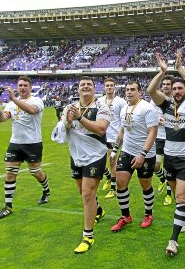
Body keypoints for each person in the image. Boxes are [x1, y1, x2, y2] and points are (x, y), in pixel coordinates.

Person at [147, 51, 185, 256]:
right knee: (178, 196)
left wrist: (179, 69)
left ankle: (173, 240)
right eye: (175, 88)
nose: (177, 91)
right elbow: (151, 90)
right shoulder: (166, 104)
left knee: (180, 197)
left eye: (181, 88)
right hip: (169, 157)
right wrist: (162, 72)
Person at [63, 76, 110, 253]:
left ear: (94, 88)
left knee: (87, 193)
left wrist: (80, 117)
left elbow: (100, 129)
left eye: (89, 84)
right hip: (77, 154)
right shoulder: (71, 107)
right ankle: (98, 211)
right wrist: (67, 120)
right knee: (82, 191)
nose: (85, 87)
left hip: (96, 153)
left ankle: (88, 236)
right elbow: (64, 128)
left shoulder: (101, 106)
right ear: (78, 89)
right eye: (82, 85)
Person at [0, 76, 51, 220]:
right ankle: (8, 206)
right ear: (17, 87)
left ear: (30, 87)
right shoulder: (11, 104)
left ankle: (46, 190)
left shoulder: (36, 101)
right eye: (20, 85)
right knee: (10, 173)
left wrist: (14, 99)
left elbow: (32, 110)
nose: (22, 88)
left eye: (25, 85)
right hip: (15, 144)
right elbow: (2, 119)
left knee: (35, 172)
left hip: (33, 143)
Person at [110, 81, 158, 232]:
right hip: (127, 150)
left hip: (146, 154)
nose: (129, 92)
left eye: (132, 90)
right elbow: (123, 130)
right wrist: (115, 149)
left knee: (145, 185)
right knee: (120, 182)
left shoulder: (147, 108)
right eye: (127, 90)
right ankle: (125, 216)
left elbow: (153, 132)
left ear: (140, 92)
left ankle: (148, 214)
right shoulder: (124, 108)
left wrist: (142, 154)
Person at [97, 77, 126, 199]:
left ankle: (113, 189)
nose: (109, 87)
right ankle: (109, 178)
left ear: (115, 87)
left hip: (114, 136)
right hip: (101, 135)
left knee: (112, 161)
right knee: (99, 161)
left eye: (111, 85)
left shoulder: (121, 102)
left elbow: (124, 120)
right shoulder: (99, 101)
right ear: (104, 87)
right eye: (107, 85)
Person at [152, 75, 174, 206]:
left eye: (168, 84)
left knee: (169, 167)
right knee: (155, 166)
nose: (165, 86)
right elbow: (149, 113)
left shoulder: (176, 99)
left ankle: (169, 195)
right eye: (164, 84)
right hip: (159, 137)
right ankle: (163, 180)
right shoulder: (155, 99)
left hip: (172, 137)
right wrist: (157, 120)